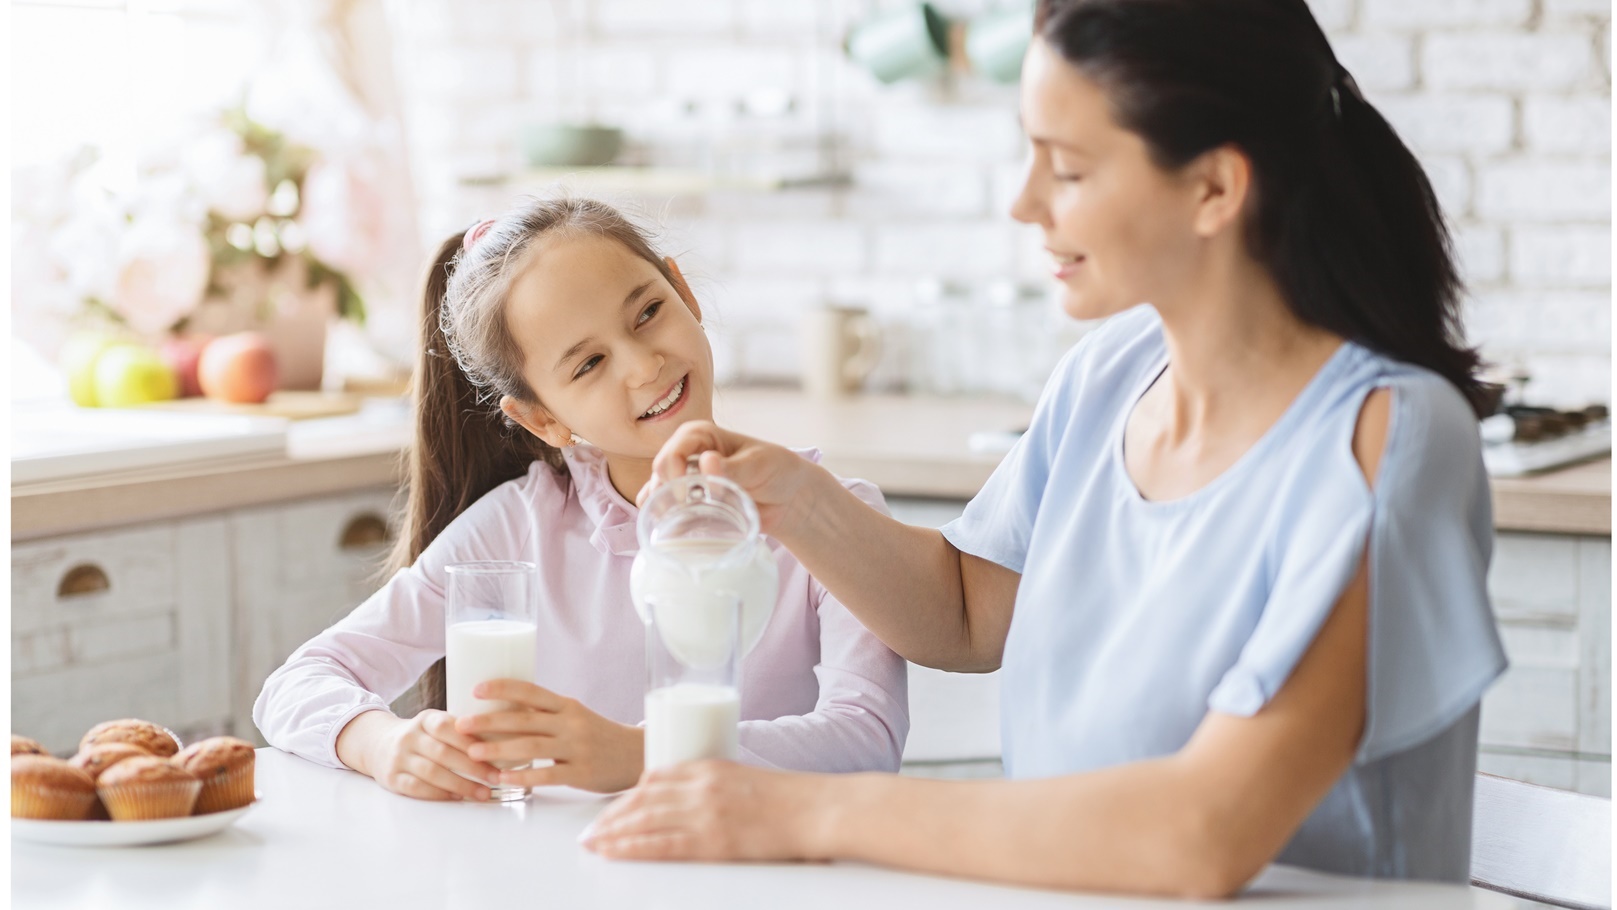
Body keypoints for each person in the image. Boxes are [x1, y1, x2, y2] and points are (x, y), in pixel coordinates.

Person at [581, 0, 1507, 897]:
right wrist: (795, 501)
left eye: (1065, 170)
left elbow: (1203, 833)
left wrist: (807, 813)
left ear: (1214, 187)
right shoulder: (1109, 375)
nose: (1024, 205)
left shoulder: (1387, 436)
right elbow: (967, 615)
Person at [254, 197, 908, 799]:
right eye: (588, 364)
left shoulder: (831, 519)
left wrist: (643, 754)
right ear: (543, 420)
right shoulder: (515, 530)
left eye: (648, 312)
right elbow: (297, 684)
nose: (641, 365)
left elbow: (864, 740)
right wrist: (384, 742)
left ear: (683, 290)